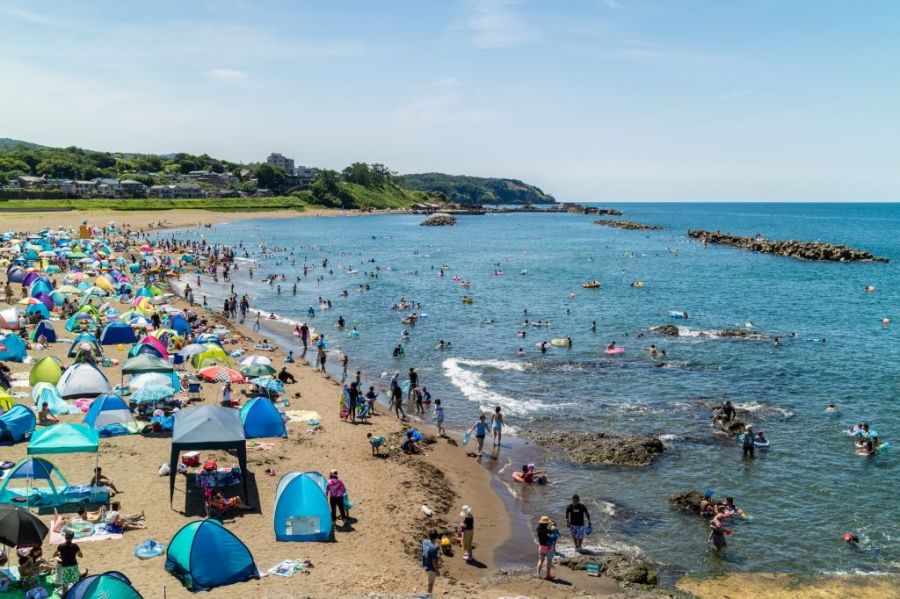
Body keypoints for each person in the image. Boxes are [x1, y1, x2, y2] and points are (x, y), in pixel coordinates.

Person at [536, 516, 555, 580]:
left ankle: (538, 574)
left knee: (541, 561)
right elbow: (552, 535)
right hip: (549, 547)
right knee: (549, 561)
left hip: (541, 547)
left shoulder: (538, 529)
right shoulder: (548, 530)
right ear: (546, 523)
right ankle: (548, 575)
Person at [422, 530, 440, 596]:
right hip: (431, 568)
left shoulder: (424, 542)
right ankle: (429, 595)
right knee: (431, 583)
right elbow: (434, 562)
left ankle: (429, 593)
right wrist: (437, 571)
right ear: (436, 537)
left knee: (429, 578)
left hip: (425, 564)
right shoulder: (433, 549)